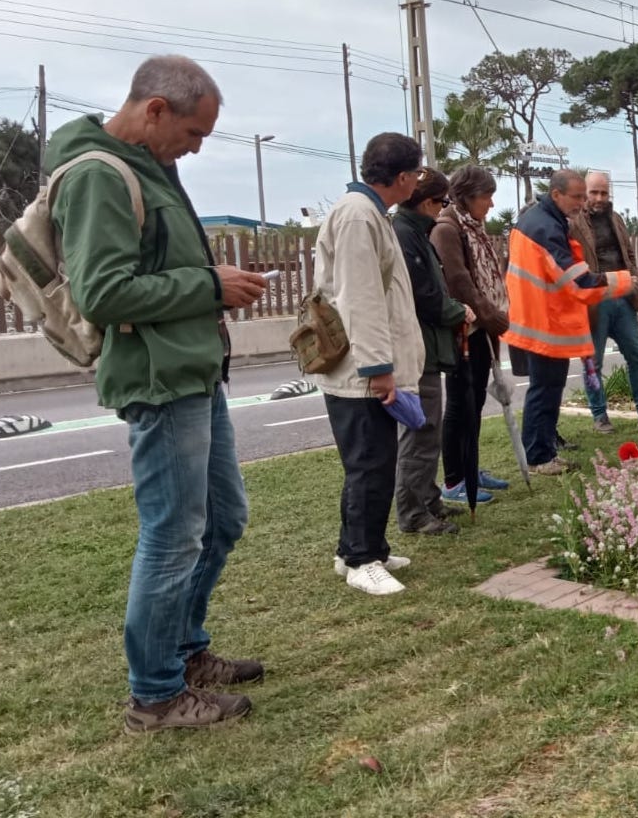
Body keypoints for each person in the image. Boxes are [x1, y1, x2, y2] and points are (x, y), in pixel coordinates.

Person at [50, 55, 267, 731]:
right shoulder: (97, 175)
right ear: (155, 110)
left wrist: (210, 286)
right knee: (173, 536)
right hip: (159, 378)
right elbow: (102, 292)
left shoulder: (152, 167)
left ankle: (182, 649)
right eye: (195, 133)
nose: (196, 148)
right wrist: (210, 287)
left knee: (224, 520)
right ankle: (155, 693)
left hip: (193, 370)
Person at [313, 132, 426, 596]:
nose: (418, 181)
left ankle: (360, 547)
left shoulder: (368, 212)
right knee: (369, 465)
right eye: (417, 173)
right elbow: (359, 298)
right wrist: (378, 367)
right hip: (361, 372)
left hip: (366, 369)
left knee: (371, 464)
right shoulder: (359, 216)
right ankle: (362, 560)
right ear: (401, 177)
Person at [504, 170, 636, 473]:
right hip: (544, 322)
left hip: (542, 319)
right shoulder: (545, 227)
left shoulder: (541, 220)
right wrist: (624, 281)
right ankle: (539, 456)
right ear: (556, 195)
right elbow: (577, 282)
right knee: (544, 391)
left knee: (547, 390)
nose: (581, 203)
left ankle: (545, 450)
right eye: (577, 197)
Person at [391, 167, 474, 536]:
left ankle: (428, 498)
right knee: (420, 432)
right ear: (428, 202)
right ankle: (412, 512)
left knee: (430, 429)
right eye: (442, 203)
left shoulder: (415, 232)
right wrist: (459, 311)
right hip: (415, 348)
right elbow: (425, 296)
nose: (443, 210)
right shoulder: (405, 234)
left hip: (426, 346)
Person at [432, 164, 513, 503]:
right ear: (466, 196)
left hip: (484, 329)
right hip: (465, 329)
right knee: (461, 403)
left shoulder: (474, 227)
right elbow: (460, 283)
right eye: (487, 197)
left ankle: (471, 466)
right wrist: (490, 314)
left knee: (476, 400)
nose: (491, 204)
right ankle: (454, 480)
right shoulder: (447, 229)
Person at [568, 170, 638, 433]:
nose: (599, 198)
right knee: (592, 362)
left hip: (623, 299)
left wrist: (636, 282)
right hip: (593, 300)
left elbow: (629, 255)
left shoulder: (616, 219)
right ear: (585, 192)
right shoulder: (574, 222)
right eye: (594, 192)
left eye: (604, 192)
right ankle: (600, 416)